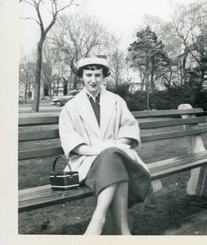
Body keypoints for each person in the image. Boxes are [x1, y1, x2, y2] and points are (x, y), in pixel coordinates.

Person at [59, 57, 151, 235]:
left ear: (103, 77)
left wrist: (114, 145)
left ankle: (98, 220)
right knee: (112, 158)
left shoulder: (116, 101)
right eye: (88, 74)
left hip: (117, 155)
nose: (93, 79)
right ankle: (122, 230)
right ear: (81, 77)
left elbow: (129, 127)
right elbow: (71, 141)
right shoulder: (70, 107)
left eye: (97, 75)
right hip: (87, 161)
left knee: (112, 156)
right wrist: (100, 150)